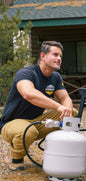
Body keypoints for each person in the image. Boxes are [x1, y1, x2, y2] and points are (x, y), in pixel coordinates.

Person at [0, 41, 78, 171]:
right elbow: (28, 94)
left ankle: (57, 152)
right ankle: (16, 157)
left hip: (36, 122)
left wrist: (67, 111)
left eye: (60, 56)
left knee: (72, 113)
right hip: (11, 123)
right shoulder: (26, 73)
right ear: (43, 56)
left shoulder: (55, 77)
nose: (59, 58)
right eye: (55, 54)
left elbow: (65, 98)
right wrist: (58, 107)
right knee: (28, 131)